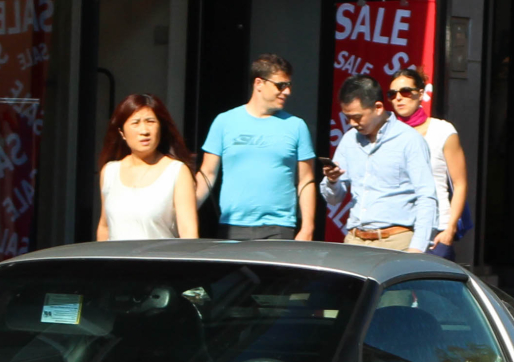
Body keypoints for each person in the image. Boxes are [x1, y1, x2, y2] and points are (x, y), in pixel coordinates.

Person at [197, 54, 317, 240]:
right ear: (259, 83)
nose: (287, 92)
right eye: (281, 86)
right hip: (232, 226)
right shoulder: (224, 121)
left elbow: (306, 180)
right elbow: (207, 174)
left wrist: (308, 228)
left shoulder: (296, 126)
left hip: (280, 227)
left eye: (289, 86)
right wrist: (184, 212)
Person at [319, 75, 437, 252]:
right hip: (355, 240)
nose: (352, 123)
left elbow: (426, 196)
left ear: (378, 108)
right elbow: (334, 199)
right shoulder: (349, 140)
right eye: (347, 117)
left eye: (357, 117)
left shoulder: (409, 140)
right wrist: (332, 181)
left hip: (396, 241)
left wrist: (417, 248)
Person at [95, 94, 199, 241]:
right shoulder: (110, 172)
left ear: (160, 128)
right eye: (135, 123)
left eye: (150, 122)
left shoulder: (177, 172)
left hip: (159, 261)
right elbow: (104, 226)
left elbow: (189, 233)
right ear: (122, 133)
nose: (144, 131)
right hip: (115, 262)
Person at [388, 66, 467, 256]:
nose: (398, 98)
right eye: (392, 94)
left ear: (420, 93)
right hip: (397, 231)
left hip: (436, 230)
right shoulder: (386, 133)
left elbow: (460, 184)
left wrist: (449, 229)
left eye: (405, 92)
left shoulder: (442, 131)